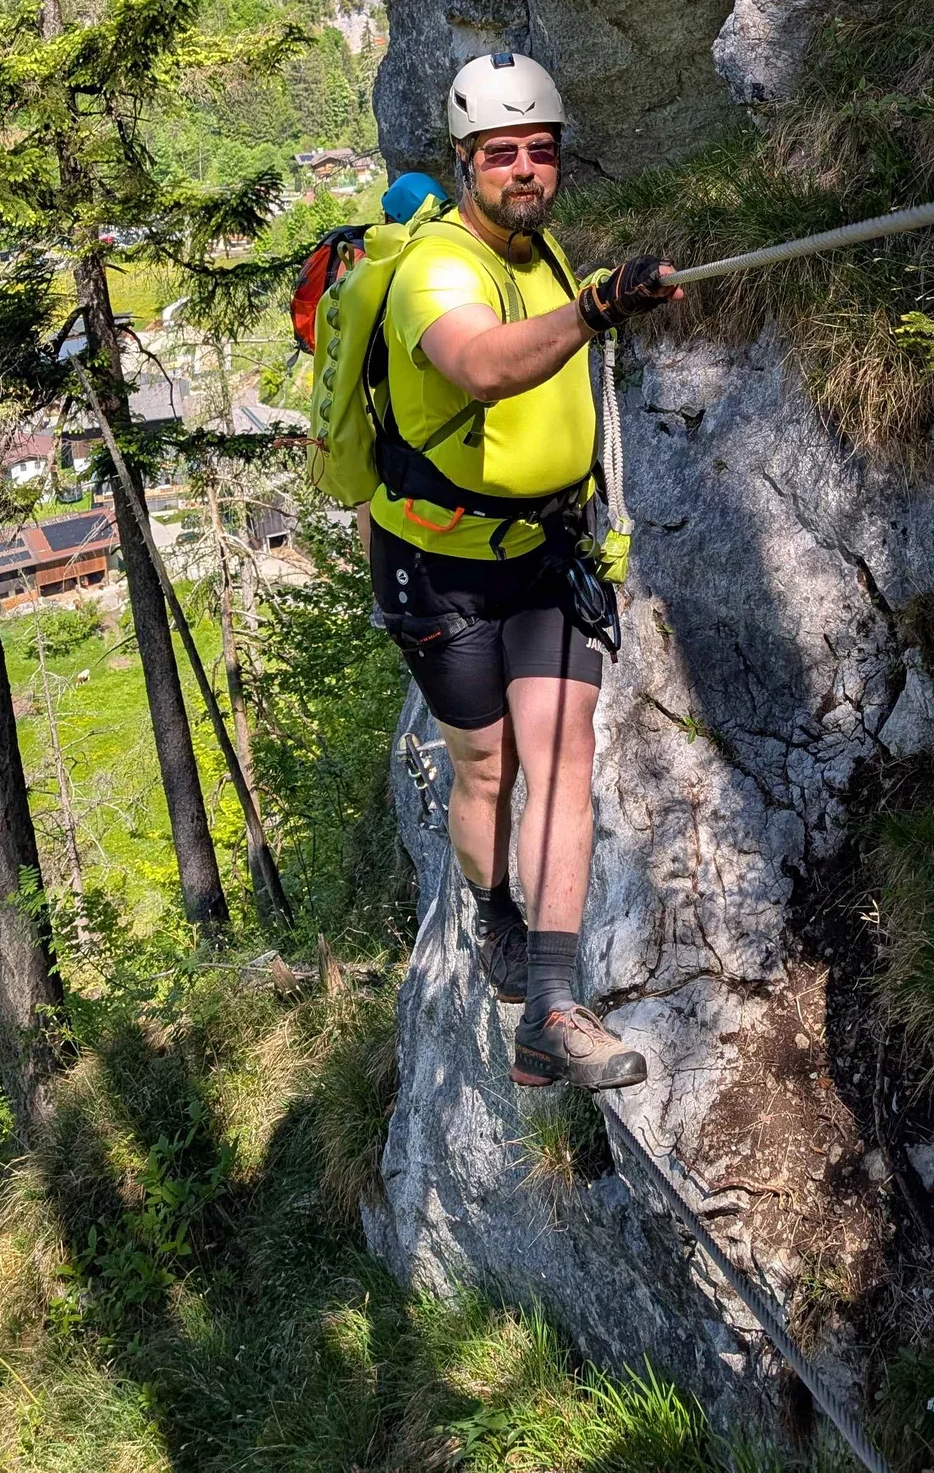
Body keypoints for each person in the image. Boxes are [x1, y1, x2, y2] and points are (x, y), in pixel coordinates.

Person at [361, 53, 680, 1090]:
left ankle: (551, 1004)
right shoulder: (434, 270)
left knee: (565, 759)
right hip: (438, 568)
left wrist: (598, 299)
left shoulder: (545, 256)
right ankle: (491, 908)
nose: (527, 170)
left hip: (544, 554)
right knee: (487, 769)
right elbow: (483, 365)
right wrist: (591, 312)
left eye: (541, 150)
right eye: (503, 154)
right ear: (466, 164)